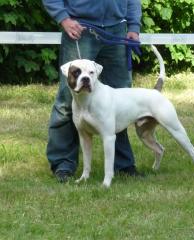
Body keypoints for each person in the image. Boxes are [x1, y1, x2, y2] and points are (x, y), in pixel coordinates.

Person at [42, 0, 142, 182]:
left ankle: (123, 164)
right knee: (67, 101)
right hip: (80, 29)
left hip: (117, 31)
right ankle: (63, 164)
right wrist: (63, 18)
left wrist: (134, 26)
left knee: (121, 101)